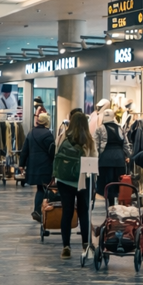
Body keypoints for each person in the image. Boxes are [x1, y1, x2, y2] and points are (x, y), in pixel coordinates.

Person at [53, 111, 95, 259]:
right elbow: (94, 162)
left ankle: (66, 246)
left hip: (64, 180)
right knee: (83, 212)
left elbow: (56, 156)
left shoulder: (62, 136)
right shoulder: (89, 140)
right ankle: (86, 244)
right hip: (82, 180)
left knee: (67, 212)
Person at [21, 111, 56, 222]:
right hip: (45, 167)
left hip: (33, 167)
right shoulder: (48, 134)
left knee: (40, 189)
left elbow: (24, 150)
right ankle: (40, 211)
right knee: (45, 189)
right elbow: (52, 152)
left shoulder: (31, 133)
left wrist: (21, 164)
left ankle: (38, 211)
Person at [94, 108, 131, 206]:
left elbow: (95, 146)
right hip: (119, 159)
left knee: (106, 183)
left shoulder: (100, 128)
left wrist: (95, 159)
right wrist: (128, 155)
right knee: (118, 182)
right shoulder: (120, 128)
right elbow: (125, 144)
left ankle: (109, 204)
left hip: (105, 159)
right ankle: (117, 205)